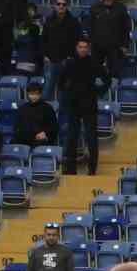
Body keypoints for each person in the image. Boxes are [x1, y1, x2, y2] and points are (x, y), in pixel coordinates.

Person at [59, 40, 108, 176]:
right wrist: (67, 93)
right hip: (73, 105)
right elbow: (61, 82)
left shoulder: (94, 63)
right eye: (80, 47)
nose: (83, 49)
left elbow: (107, 80)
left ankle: (92, 169)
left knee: (91, 137)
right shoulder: (69, 63)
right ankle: (70, 170)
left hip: (89, 105)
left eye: (85, 47)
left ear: (89, 49)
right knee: (71, 137)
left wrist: (98, 92)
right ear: (76, 48)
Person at [87, 0, 132, 79]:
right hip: (97, 46)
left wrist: (125, 45)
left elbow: (126, 27)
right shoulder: (95, 8)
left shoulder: (121, 8)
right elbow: (89, 26)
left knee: (114, 73)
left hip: (115, 47)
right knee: (96, 72)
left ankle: (113, 90)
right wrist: (90, 42)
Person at [14, 83, 59, 150]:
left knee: (40, 144)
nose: (34, 96)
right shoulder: (23, 108)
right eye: (31, 94)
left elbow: (54, 126)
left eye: (36, 94)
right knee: (14, 143)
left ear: (40, 94)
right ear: (28, 94)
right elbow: (17, 126)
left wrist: (45, 133)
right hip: (25, 138)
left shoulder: (47, 108)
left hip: (41, 139)